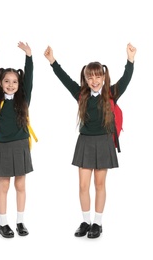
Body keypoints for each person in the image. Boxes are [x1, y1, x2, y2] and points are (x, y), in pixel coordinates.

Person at [44, 43, 136, 238]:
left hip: (104, 142)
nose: (94, 80)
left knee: (100, 185)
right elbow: (65, 79)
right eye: (90, 77)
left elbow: (126, 79)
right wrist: (53, 61)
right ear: (85, 79)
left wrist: (130, 60)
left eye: (98, 76)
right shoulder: (81, 95)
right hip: (85, 142)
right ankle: (86, 221)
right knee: (83, 186)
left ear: (103, 77)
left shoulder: (111, 93)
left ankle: (98, 223)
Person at [0, 41, 34, 238]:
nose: (11, 84)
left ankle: (20, 221)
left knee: (20, 185)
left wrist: (29, 56)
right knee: (3, 186)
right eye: (7, 81)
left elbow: (29, 78)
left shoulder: (24, 98)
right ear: (1, 83)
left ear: (19, 85)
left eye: (14, 81)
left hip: (21, 145)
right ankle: (3, 224)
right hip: (2, 147)